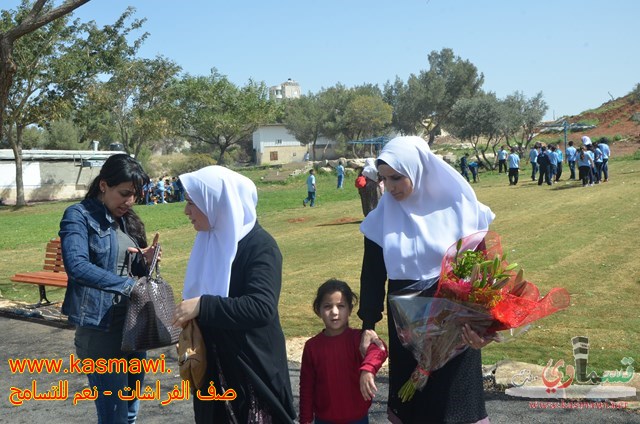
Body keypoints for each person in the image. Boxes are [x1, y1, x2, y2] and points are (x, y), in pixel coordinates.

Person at [357, 136, 495, 423]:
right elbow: (372, 274)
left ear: (418, 170)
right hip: (406, 331)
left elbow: (482, 275)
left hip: (456, 328)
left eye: (397, 178)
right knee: (414, 406)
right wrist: (368, 323)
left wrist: (485, 327)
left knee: (454, 406)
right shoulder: (383, 217)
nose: (390, 187)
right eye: (384, 179)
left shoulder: (461, 210)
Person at [172, 165, 296, 423]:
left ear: (216, 203)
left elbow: (261, 307)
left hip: (250, 374)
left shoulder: (260, 247)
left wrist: (203, 306)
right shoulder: (209, 242)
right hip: (215, 373)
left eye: (192, 203)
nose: (186, 211)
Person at [59, 153, 159, 424]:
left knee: (130, 411)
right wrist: (127, 285)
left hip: (134, 327)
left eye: (135, 195)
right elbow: (77, 266)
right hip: (101, 330)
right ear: (103, 185)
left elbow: (135, 273)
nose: (129, 201)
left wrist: (145, 262)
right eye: (124, 193)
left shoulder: (129, 220)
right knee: (113, 415)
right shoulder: (78, 216)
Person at [299, 279, 388, 424]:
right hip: (324, 420)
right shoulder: (312, 346)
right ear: (318, 310)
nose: (334, 312)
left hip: (357, 419)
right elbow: (306, 387)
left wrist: (368, 369)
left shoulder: (359, 339)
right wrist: (305, 420)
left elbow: (380, 348)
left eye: (341, 306)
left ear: (350, 309)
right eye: (328, 306)